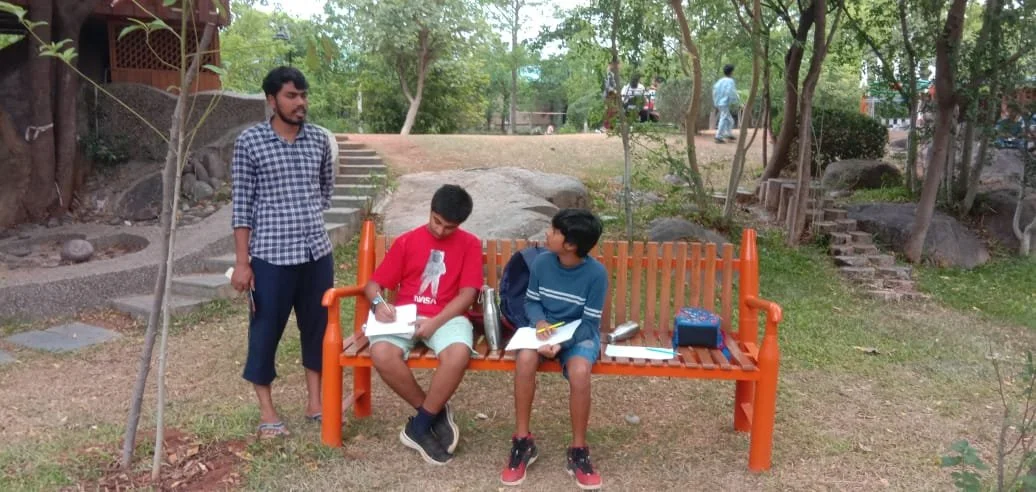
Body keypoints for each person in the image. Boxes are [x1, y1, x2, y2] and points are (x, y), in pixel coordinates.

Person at [230, 66, 335, 439]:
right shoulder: (250, 142)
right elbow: (242, 206)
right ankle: (268, 411)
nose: (301, 102)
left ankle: (315, 403)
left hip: (316, 255)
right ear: (271, 100)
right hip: (271, 258)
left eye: (303, 94)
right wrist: (243, 263)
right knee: (265, 331)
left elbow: (324, 190)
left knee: (318, 329)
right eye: (292, 96)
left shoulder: (319, 140)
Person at [364, 184, 482, 465]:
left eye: (449, 227)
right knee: (381, 353)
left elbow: (467, 295)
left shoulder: (470, 244)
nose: (440, 231)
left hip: (448, 317)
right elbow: (373, 285)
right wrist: (379, 304)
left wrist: (435, 322)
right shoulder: (408, 241)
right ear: (430, 210)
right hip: (404, 316)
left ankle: (418, 427)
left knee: (458, 355)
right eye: (436, 222)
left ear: (461, 224)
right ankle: (432, 413)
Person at [500, 209, 608, 490]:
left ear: (571, 244)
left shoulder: (596, 274)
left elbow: (589, 323)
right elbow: (532, 302)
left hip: (576, 334)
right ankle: (522, 441)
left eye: (555, 231)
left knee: (581, 372)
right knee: (525, 359)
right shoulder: (542, 263)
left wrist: (562, 343)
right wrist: (540, 323)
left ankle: (578, 450)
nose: (548, 234)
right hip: (543, 331)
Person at [712, 64, 740, 143]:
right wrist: (736, 101)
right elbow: (731, 92)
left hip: (719, 103)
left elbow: (714, 91)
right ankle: (718, 137)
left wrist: (716, 102)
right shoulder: (730, 81)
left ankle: (728, 134)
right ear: (731, 72)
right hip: (724, 102)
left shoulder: (720, 81)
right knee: (724, 118)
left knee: (729, 120)